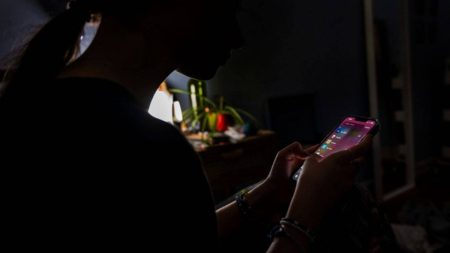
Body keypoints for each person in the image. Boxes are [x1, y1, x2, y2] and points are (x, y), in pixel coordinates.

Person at [0, 0, 373, 251]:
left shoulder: (29, 105)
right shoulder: (149, 151)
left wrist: (267, 192)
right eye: (226, 9)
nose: (238, 38)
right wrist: (304, 216)